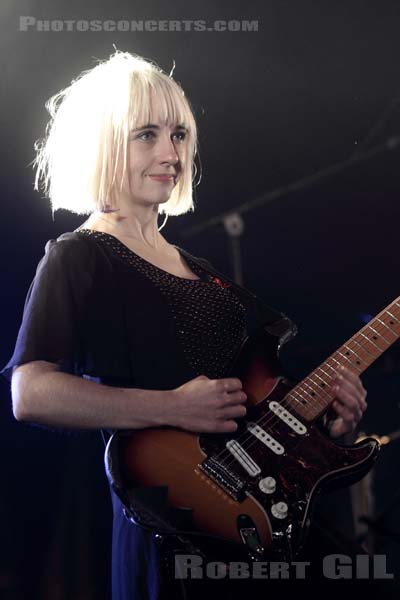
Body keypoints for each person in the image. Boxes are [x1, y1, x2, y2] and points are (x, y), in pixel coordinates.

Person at [2, 51, 367, 599]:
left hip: (259, 526)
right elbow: (29, 391)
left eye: (179, 135)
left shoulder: (205, 273)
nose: (171, 153)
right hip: (172, 530)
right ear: (102, 143)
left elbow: (254, 410)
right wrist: (169, 406)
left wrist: (329, 428)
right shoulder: (79, 255)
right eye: (146, 135)